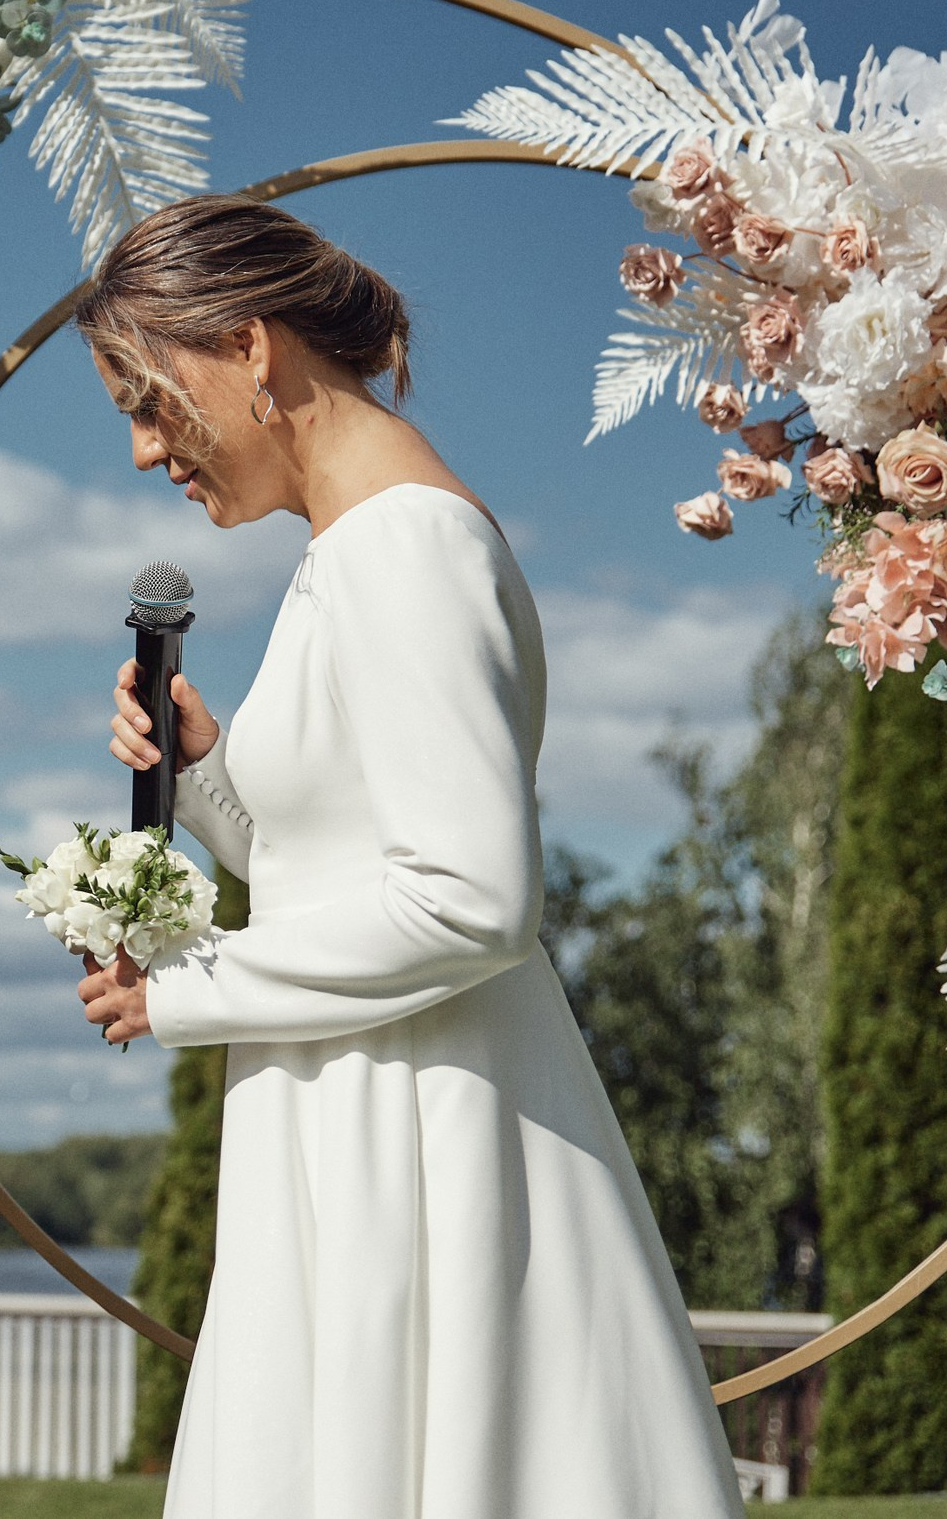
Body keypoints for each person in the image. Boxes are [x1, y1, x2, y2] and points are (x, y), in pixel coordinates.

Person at [74, 196, 743, 1517]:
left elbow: (472, 895)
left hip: (419, 1123)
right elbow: (350, 862)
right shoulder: (354, 549)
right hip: (352, 1095)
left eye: (151, 400)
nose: (148, 449)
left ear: (250, 349)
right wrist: (208, 778)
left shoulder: (407, 546)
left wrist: (186, 990)